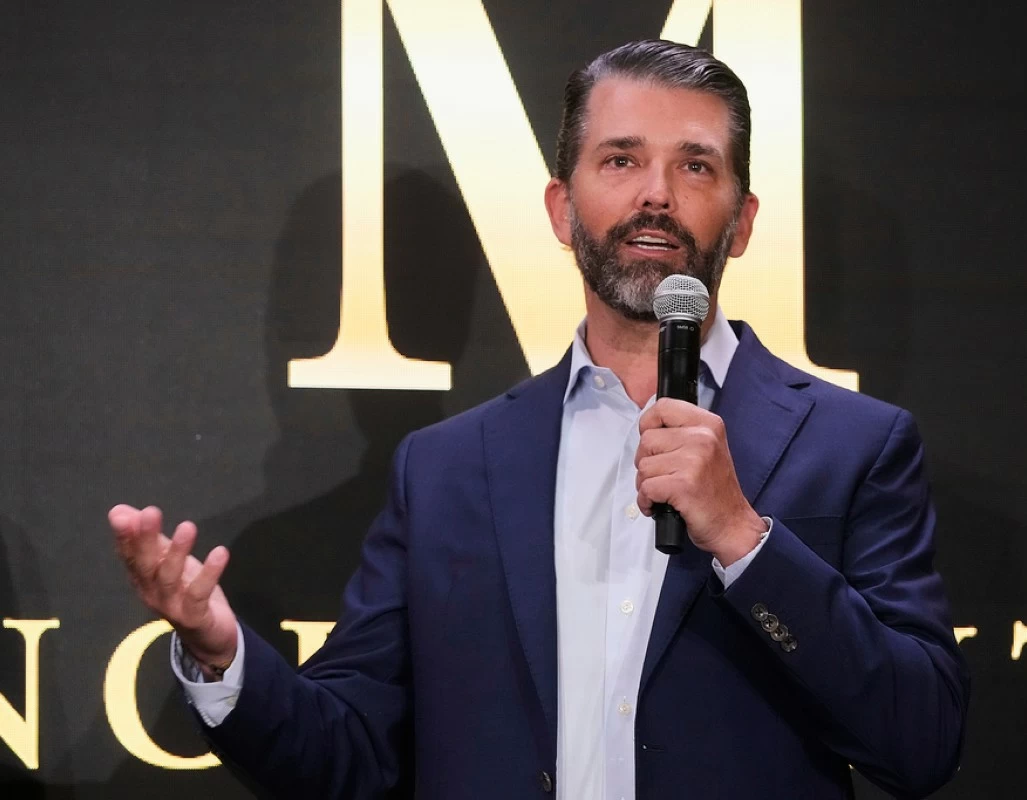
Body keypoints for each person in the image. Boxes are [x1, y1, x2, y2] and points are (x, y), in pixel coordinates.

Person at [109, 39, 967, 799]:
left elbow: (920, 743)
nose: (658, 196)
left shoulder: (857, 447)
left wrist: (746, 541)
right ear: (562, 210)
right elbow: (349, 754)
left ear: (742, 225)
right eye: (621, 161)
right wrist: (222, 653)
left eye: (696, 166)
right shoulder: (446, 469)